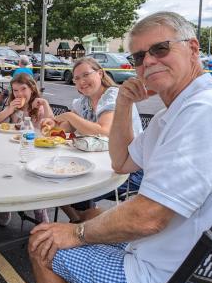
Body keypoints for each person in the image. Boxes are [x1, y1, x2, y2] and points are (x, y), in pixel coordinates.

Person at [28, 11, 212, 283]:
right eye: (139, 57)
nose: (149, 61)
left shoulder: (201, 110)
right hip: (165, 249)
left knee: (41, 243)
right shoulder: (176, 110)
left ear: (192, 49)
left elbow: (148, 217)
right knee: (91, 215)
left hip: (165, 274)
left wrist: (77, 234)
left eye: (160, 48)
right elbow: (122, 161)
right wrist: (125, 103)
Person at [42, 57, 144, 222]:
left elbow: (103, 131)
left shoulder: (113, 95)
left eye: (85, 75)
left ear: (100, 73)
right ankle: (81, 222)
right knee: (56, 180)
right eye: (76, 78)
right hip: (101, 161)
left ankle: (95, 224)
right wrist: (52, 125)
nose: (81, 81)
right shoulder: (83, 101)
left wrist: (68, 115)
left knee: (72, 189)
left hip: (130, 168)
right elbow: (68, 127)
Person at [0, 72, 54, 225]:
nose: (19, 94)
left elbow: (52, 125)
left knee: (34, 181)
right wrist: (9, 109)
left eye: (23, 89)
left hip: (35, 149)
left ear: (32, 89)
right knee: (3, 173)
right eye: (15, 90)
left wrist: (45, 105)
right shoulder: (14, 106)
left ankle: (40, 212)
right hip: (11, 147)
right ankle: (5, 208)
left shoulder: (38, 106)